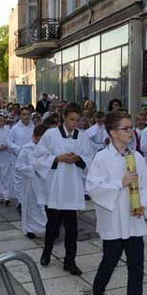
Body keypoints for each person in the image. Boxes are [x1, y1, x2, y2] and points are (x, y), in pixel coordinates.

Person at [87, 109, 147, 295]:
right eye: (125, 128)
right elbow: (93, 188)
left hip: (133, 218)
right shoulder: (102, 158)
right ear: (112, 133)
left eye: (131, 128)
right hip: (114, 219)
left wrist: (142, 205)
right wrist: (120, 183)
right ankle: (98, 293)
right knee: (110, 261)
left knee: (137, 265)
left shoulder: (135, 157)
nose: (130, 132)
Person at [33, 102, 92, 274]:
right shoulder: (51, 135)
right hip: (55, 185)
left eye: (77, 120)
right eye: (72, 119)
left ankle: (70, 261)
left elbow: (89, 157)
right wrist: (57, 158)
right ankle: (47, 251)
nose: (75, 123)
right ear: (63, 117)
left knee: (72, 228)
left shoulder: (82, 137)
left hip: (72, 187)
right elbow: (38, 156)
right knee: (52, 225)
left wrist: (78, 159)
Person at [16, 124, 49, 238]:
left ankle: (47, 228)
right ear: (35, 136)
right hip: (31, 181)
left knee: (44, 206)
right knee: (31, 206)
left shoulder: (47, 149)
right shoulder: (26, 149)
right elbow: (19, 166)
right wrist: (32, 169)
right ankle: (31, 229)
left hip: (44, 181)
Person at [8, 107, 35, 204]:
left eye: (28, 114)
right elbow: (9, 143)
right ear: (20, 116)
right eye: (24, 114)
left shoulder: (34, 128)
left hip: (31, 159)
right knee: (19, 180)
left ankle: (29, 200)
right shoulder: (15, 129)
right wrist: (20, 150)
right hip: (19, 157)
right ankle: (20, 202)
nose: (26, 117)